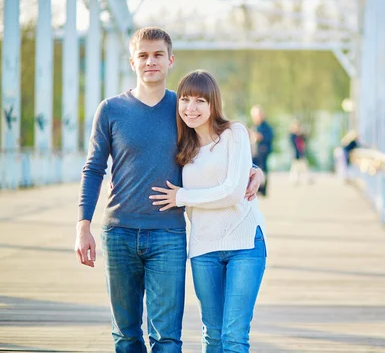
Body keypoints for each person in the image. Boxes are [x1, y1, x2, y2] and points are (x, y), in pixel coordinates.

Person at [74, 27, 263, 352]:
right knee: (126, 335)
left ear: (170, 60)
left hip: (169, 235)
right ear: (132, 61)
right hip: (118, 232)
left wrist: (253, 171)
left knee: (167, 338)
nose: (151, 61)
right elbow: (93, 169)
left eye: (158, 54)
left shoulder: (184, 109)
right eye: (143, 55)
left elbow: (218, 144)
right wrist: (83, 225)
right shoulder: (110, 109)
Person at [149, 70, 267, 353]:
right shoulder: (180, 145)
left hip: (245, 245)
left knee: (234, 336)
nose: (191, 108)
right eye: (185, 100)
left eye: (200, 100)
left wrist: (182, 197)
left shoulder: (234, 133)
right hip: (203, 248)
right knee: (212, 336)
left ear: (213, 103)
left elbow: (232, 191)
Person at [249, 105, 274, 197]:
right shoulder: (253, 126)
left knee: (263, 170)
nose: (256, 118)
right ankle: (256, 188)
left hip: (263, 152)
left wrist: (260, 137)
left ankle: (263, 189)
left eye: (257, 116)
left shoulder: (266, 127)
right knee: (253, 170)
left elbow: (270, 138)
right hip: (254, 153)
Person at [288, 119, 312, 184]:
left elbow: (305, 140)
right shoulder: (292, 135)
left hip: (301, 153)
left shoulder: (301, 135)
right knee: (295, 167)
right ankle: (294, 179)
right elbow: (293, 145)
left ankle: (307, 178)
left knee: (304, 166)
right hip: (295, 154)